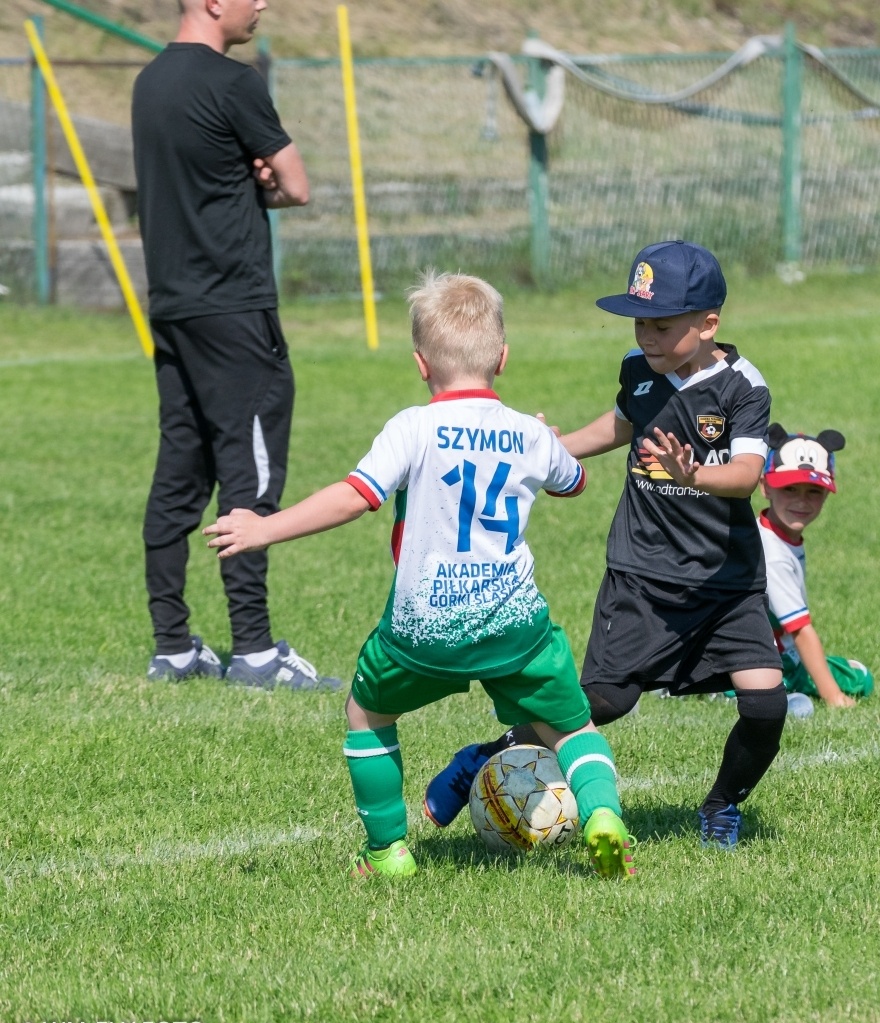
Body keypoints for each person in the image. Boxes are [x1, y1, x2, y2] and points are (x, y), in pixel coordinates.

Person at [204, 273, 636, 880]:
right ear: (503, 358)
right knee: (571, 729)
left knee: (366, 712)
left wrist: (264, 528)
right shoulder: (528, 433)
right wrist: (539, 436)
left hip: (423, 627)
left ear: (420, 364)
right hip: (515, 628)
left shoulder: (412, 426)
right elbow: (574, 481)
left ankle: (388, 852)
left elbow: (355, 497)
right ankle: (602, 818)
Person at [425, 241, 784, 850]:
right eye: (640, 320)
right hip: (642, 573)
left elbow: (748, 475)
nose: (646, 334)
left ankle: (722, 805)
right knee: (605, 702)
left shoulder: (741, 388)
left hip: (726, 580)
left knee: (767, 704)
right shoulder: (638, 369)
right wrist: (548, 448)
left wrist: (692, 474)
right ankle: (485, 757)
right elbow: (620, 426)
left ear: (708, 323)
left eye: (662, 324)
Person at [134, 0, 328, 687]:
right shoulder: (235, 81)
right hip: (235, 309)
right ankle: (254, 653)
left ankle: (174, 647)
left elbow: (198, 184)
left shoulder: (149, 81)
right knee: (249, 476)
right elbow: (298, 186)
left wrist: (247, 182)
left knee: (179, 468)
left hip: (173, 307)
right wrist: (266, 186)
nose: (263, 5)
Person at [758, 425, 874, 709]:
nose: (801, 501)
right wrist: (833, 696)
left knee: (859, 675)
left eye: (814, 491)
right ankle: (730, 690)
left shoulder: (779, 535)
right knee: (856, 680)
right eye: (790, 488)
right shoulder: (772, 553)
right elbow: (800, 630)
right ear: (765, 487)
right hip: (764, 658)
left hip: (782, 653)